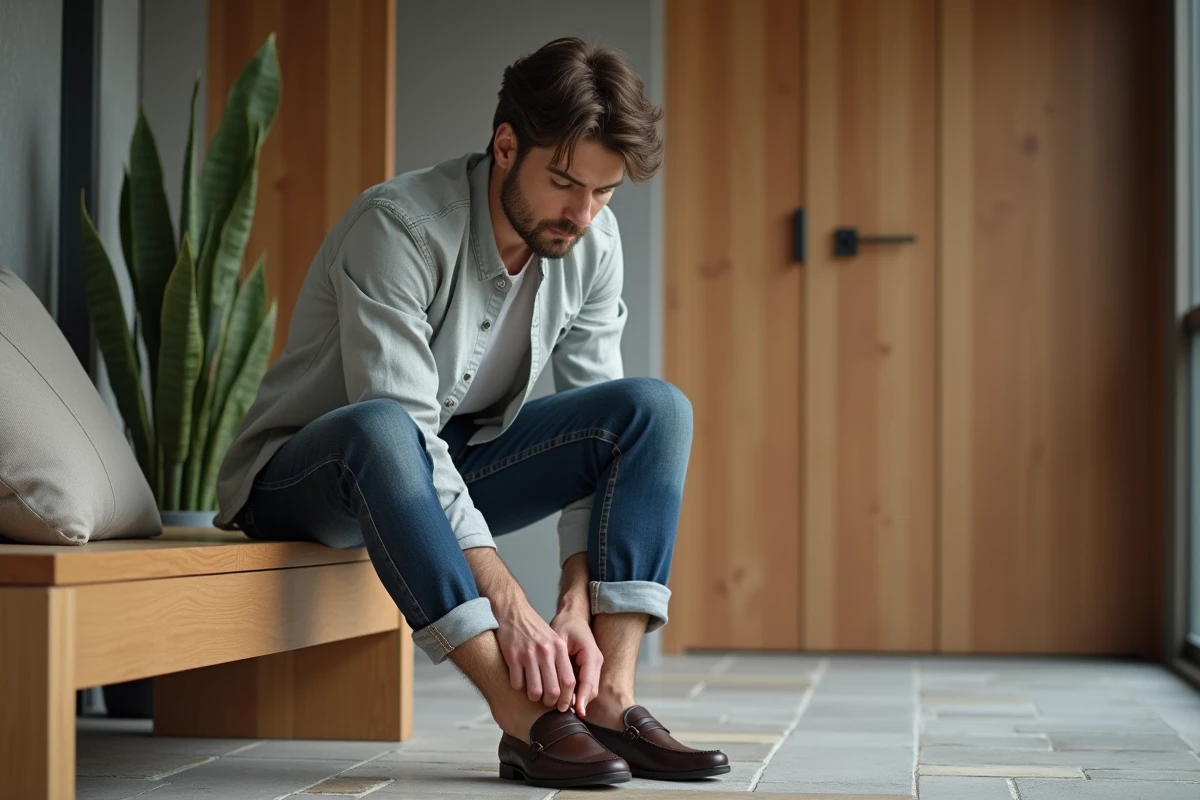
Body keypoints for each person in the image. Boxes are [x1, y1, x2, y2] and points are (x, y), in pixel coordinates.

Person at [214, 36, 728, 790]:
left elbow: (599, 426)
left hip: (440, 472)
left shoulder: (591, 240)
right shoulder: (398, 228)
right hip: (310, 478)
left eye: (604, 192)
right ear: (506, 143)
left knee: (652, 410)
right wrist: (511, 603)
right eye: (563, 183)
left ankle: (610, 698)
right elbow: (406, 428)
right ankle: (523, 715)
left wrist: (574, 598)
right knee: (384, 430)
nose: (581, 214)